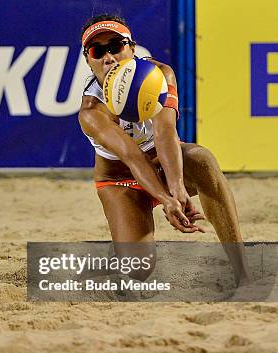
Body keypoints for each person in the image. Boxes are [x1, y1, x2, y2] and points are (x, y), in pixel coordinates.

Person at [77, 14, 251, 286]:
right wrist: (166, 198)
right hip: (120, 181)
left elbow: (165, 132)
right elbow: (132, 157)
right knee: (139, 271)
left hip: (162, 160)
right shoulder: (91, 112)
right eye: (98, 51)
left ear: (132, 49)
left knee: (200, 157)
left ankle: (242, 273)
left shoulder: (161, 74)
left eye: (116, 45)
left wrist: (177, 187)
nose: (108, 57)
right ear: (88, 60)